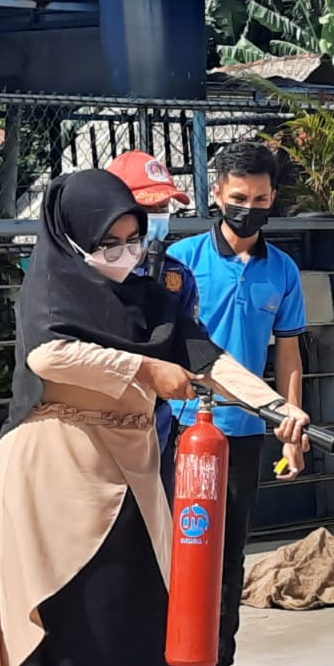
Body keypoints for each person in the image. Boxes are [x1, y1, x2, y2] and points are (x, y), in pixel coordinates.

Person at [0, 168, 310, 666]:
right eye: (112, 242)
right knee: (41, 628)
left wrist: (277, 408)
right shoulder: (51, 283)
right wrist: (143, 372)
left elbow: (202, 354)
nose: (127, 253)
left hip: (130, 466)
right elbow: (50, 352)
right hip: (51, 466)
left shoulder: (153, 287)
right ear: (72, 237)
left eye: (134, 237)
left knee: (148, 624)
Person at [168, 141, 308, 666]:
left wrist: (291, 425)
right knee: (183, 549)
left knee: (229, 554)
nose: (249, 208)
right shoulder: (181, 261)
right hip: (179, 430)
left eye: (260, 198)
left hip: (246, 433)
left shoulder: (284, 271)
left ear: (273, 199)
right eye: (238, 198)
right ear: (217, 196)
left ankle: (217, 663)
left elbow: (291, 353)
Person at [105, 150, 198, 490]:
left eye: (163, 209)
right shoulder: (85, 275)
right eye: (147, 209)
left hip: (155, 421)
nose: (156, 218)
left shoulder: (176, 276)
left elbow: (194, 346)